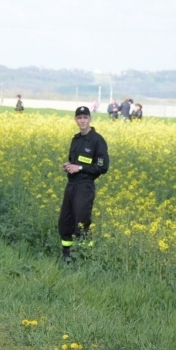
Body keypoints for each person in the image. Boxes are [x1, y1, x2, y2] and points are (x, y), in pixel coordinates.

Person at [58, 106, 109, 263]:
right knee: (65, 221)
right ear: (75, 120)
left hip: (85, 186)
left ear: (90, 119)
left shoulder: (97, 140)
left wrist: (79, 168)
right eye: (79, 118)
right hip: (72, 184)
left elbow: (102, 167)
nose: (82, 121)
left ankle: (85, 257)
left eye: (85, 117)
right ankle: (66, 257)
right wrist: (69, 165)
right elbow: (75, 161)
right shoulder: (76, 139)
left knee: (81, 222)